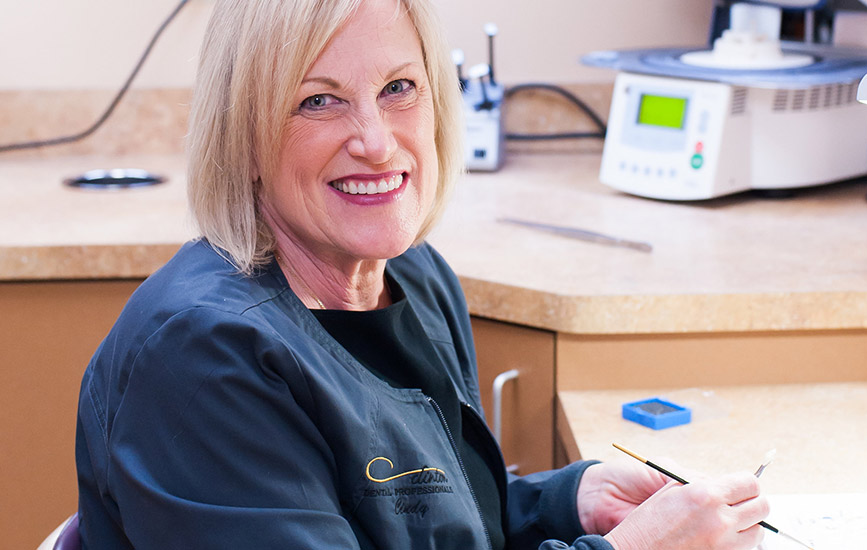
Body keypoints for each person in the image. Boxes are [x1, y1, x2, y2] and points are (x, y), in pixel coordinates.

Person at [74, 0, 770, 548]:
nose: (376, 142)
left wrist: (562, 504)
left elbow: (424, 520)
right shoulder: (201, 359)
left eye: (399, 88)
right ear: (245, 137)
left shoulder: (413, 277)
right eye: (319, 100)